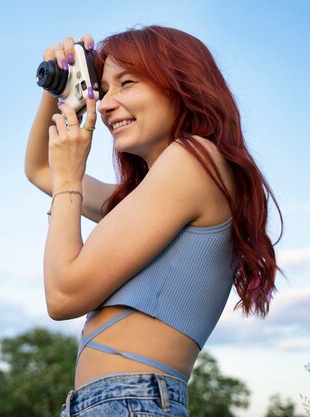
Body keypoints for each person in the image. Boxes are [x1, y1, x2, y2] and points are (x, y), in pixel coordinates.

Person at [25, 25, 282, 417]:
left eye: (127, 83)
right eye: (104, 89)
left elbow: (63, 296)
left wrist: (68, 180)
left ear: (182, 84)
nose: (107, 104)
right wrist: (59, 87)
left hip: (130, 400)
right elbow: (40, 168)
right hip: (110, 402)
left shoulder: (193, 159)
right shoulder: (149, 199)